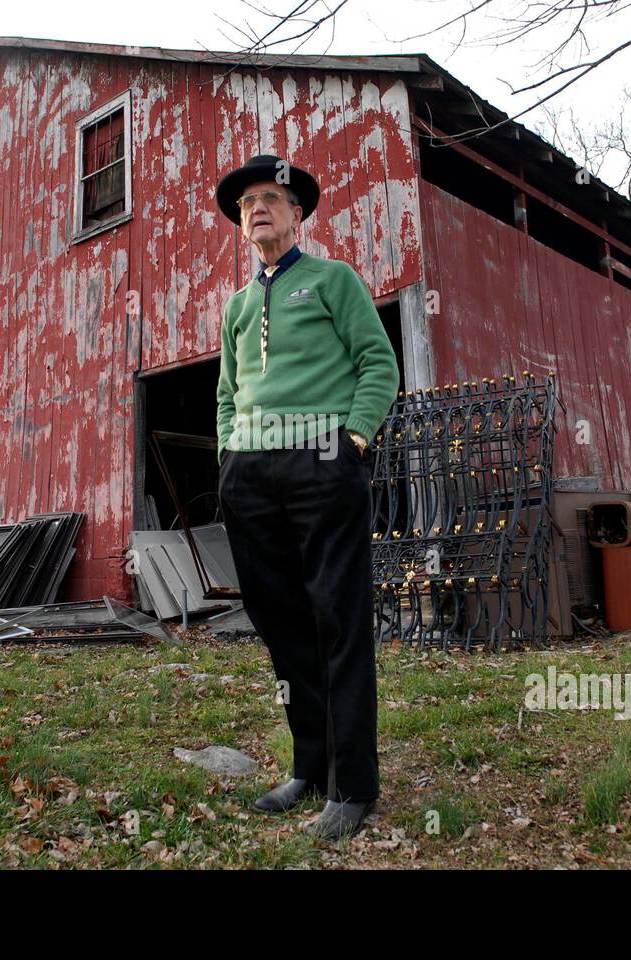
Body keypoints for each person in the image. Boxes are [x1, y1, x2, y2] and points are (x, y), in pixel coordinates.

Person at [213, 153, 400, 839]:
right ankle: (310, 766)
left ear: (297, 214)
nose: (257, 208)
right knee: (281, 623)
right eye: (246, 204)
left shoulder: (332, 280)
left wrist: (352, 437)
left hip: (323, 459)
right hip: (251, 474)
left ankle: (353, 785)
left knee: (338, 619)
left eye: (270, 198)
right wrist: (230, 452)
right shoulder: (236, 307)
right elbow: (228, 392)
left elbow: (378, 362)